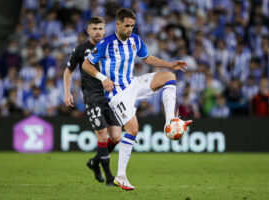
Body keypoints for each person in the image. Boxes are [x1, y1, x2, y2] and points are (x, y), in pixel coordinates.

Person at [82, 8, 192, 190]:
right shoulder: (106, 44)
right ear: (117, 24)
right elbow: (87, 64)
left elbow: (147, 58)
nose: (130, 29)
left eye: (132, 25)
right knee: (133, 128)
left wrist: (170, 64)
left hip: (132, 84)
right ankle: (121, 176)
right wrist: (103, 78)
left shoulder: (135, 40)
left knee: (169, 76)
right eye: (126, 26)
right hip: (116, 93)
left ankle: (169, 121)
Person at [63, 17, 121, 186]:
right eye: (94, 28)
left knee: (116, 137)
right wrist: (67, 93)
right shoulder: (81, 50)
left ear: (105, 30)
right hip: (92, 96)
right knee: (102, 134)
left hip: (110, 96)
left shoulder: (111, 47)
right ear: (88, 31)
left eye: (100, 28)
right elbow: (68, 72)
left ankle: (94, 162)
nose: (98, 31)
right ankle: (109, 177)